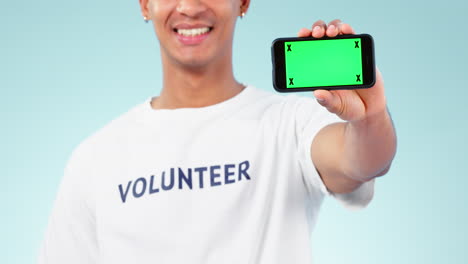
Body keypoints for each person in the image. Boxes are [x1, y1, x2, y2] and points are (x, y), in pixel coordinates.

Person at [38, 0, 396, 263]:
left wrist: (370, 117)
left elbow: (361, 160)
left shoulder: (292, 123)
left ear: (242, 3)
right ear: (145, 5)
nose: (190, 7)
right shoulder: (94, 158)